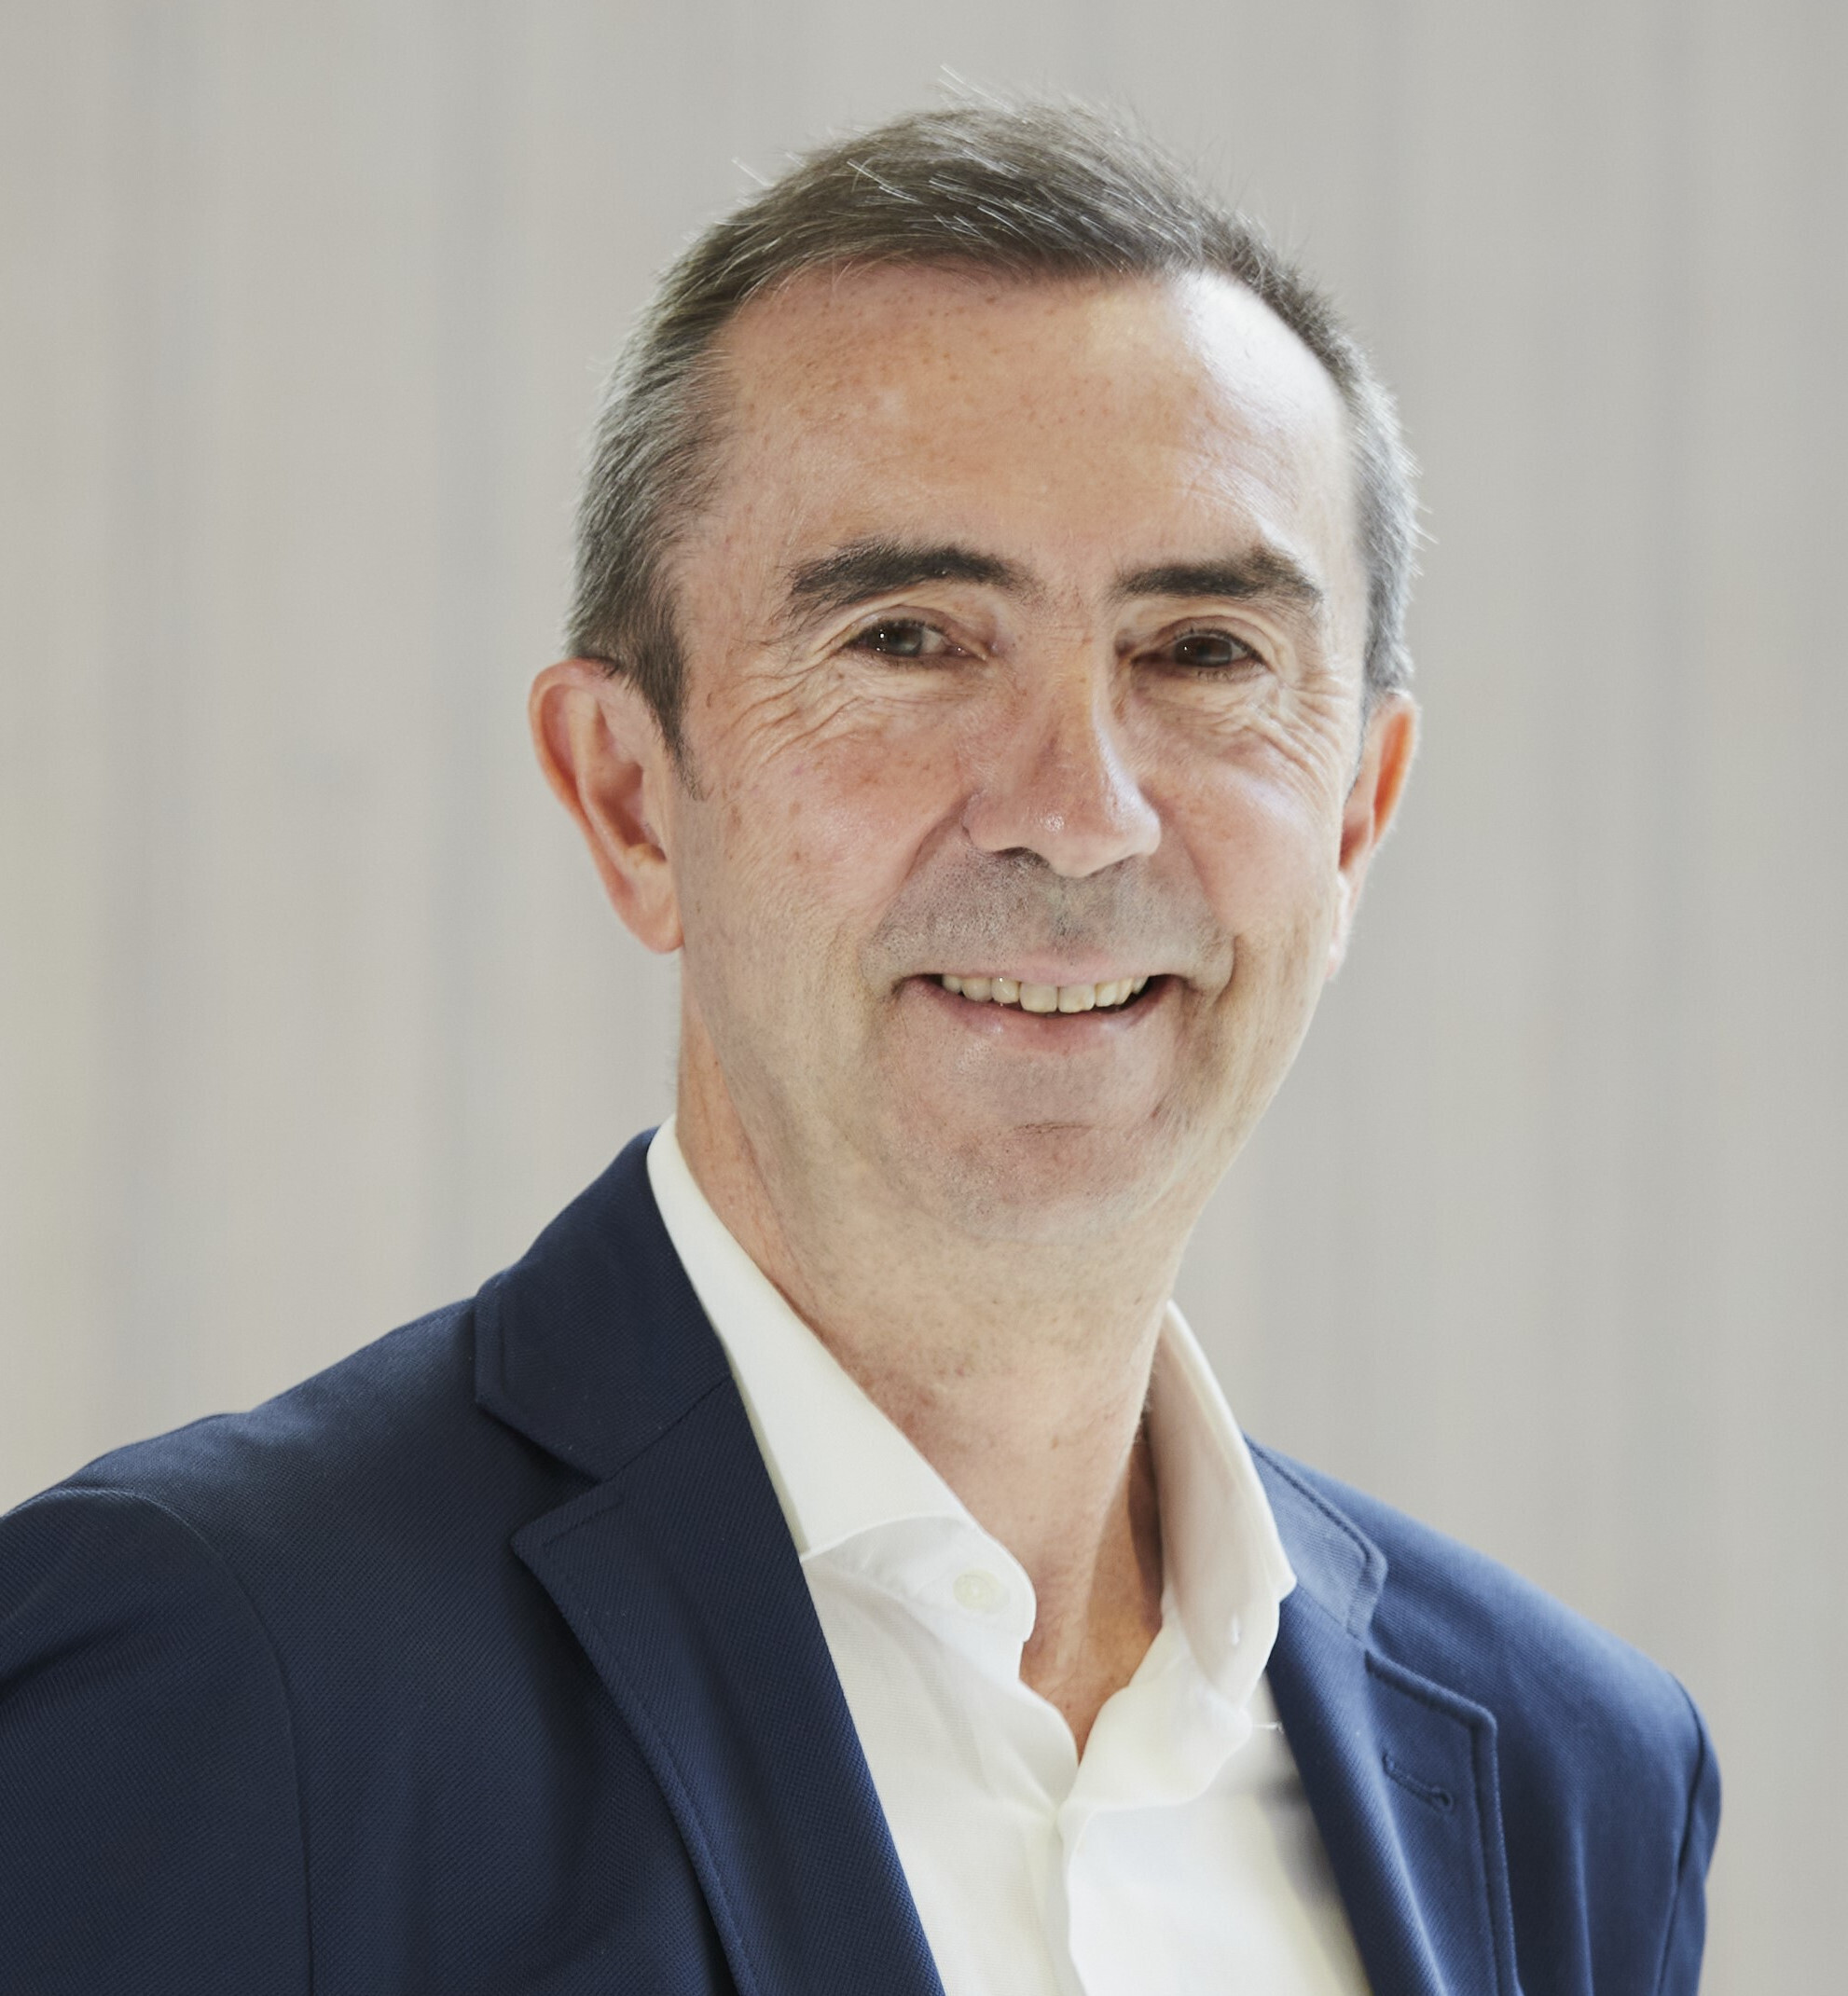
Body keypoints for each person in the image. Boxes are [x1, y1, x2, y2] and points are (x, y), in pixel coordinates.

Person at [0, 101, 1717, 1995]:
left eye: (1203, 652)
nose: (1079, 816)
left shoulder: (1573, 1784)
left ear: (1356, 816)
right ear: (632, 797)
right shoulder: (227, 1671)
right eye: (907, 639)